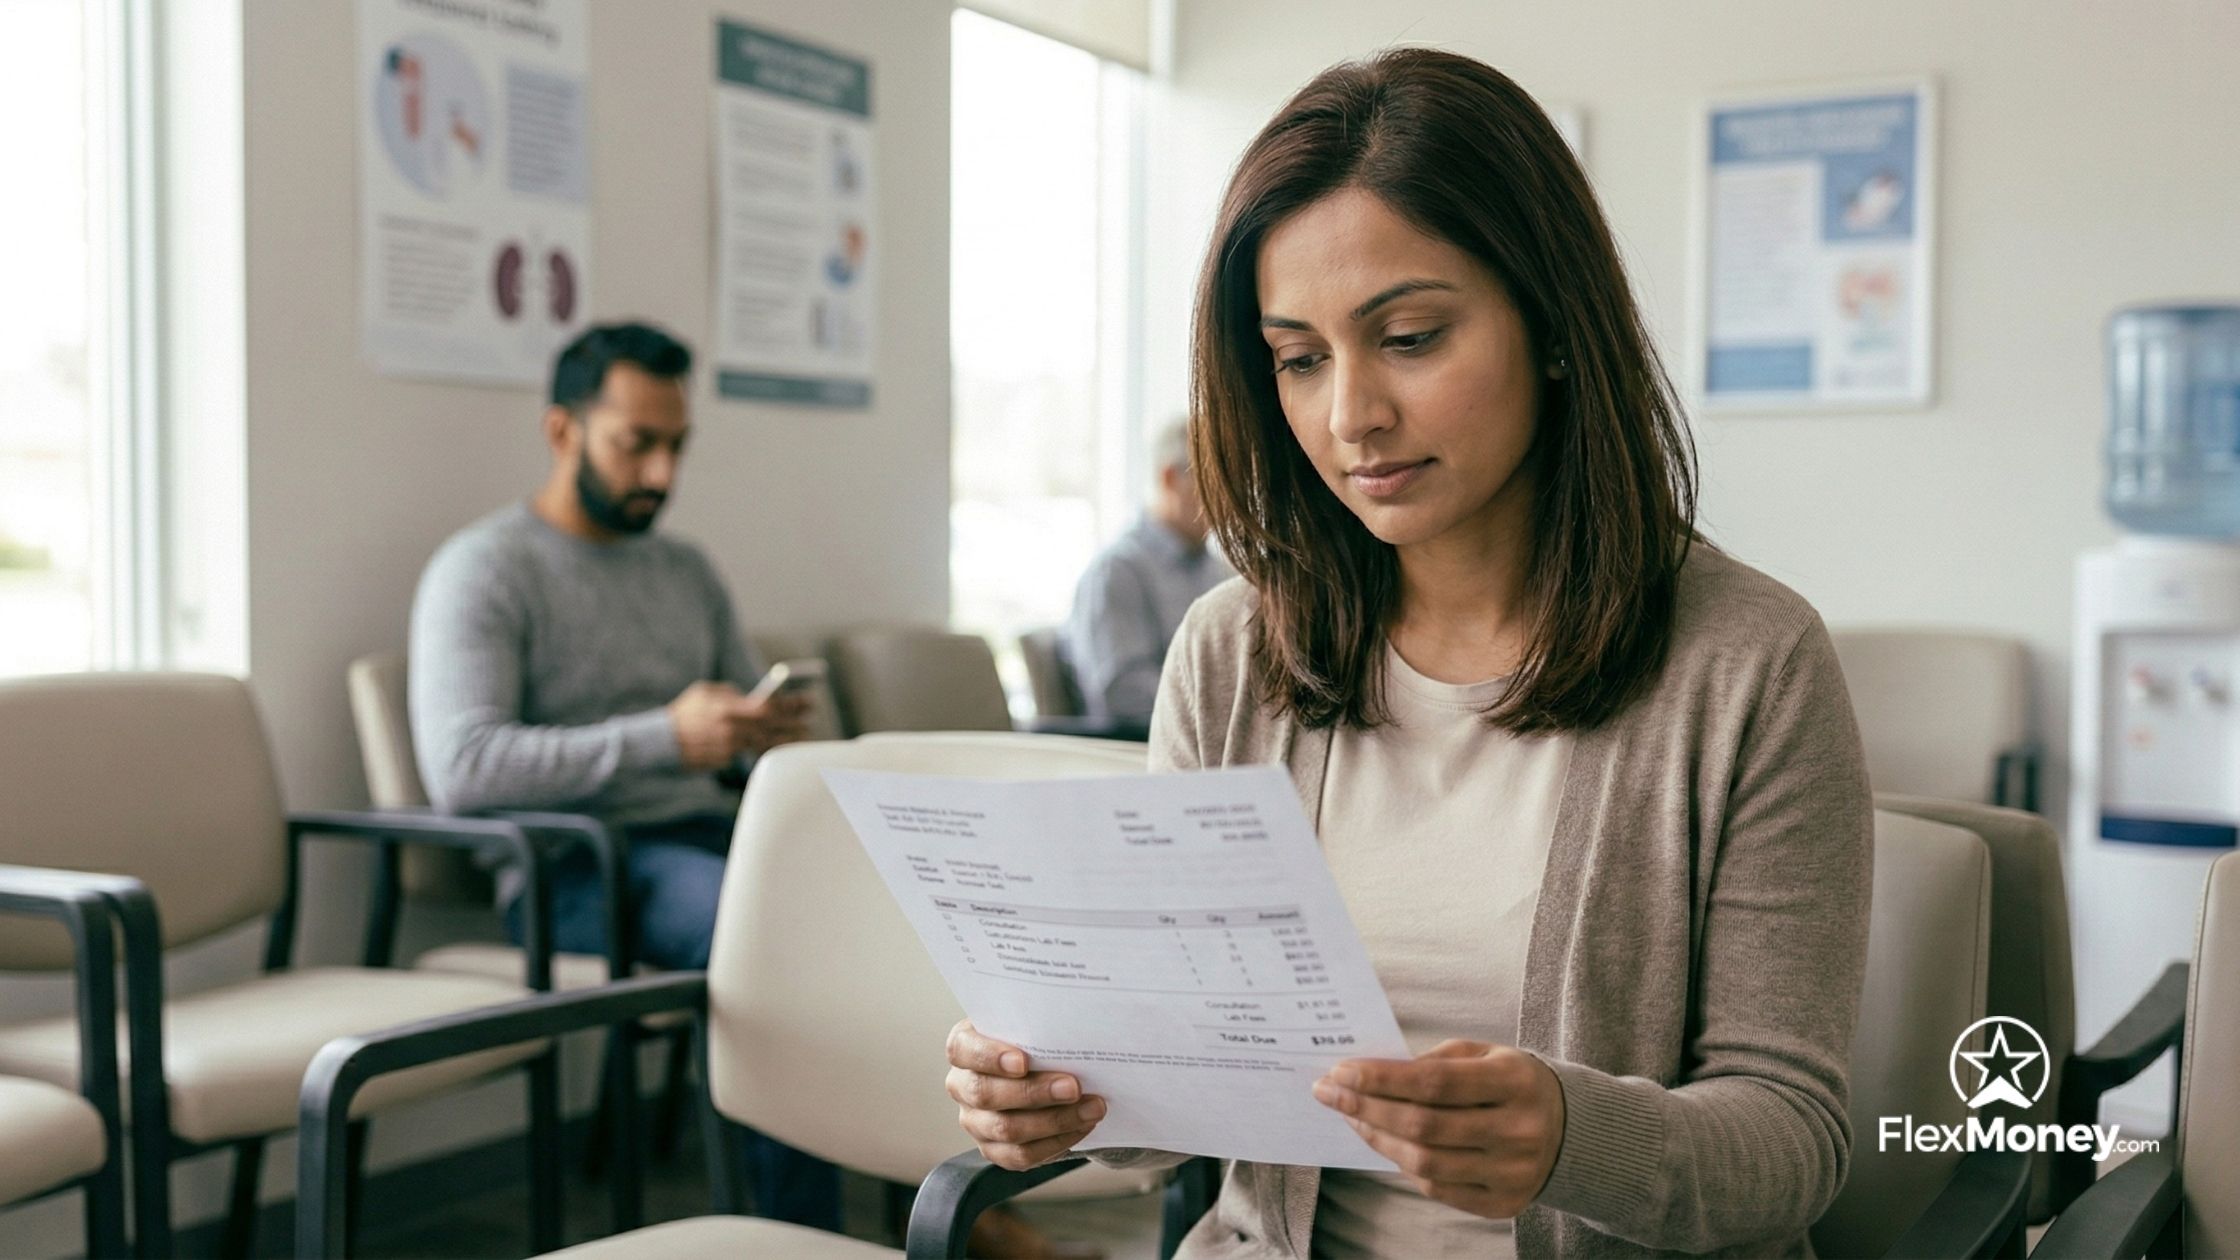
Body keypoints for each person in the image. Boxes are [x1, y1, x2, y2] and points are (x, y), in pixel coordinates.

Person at [943, 49, 1873, 1259]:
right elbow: (1160, 1117)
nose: (1350, 417)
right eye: (1298, 357)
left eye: (1411, 337)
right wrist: (1061, 1092)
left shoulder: (1747, 663)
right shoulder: (1228, 652)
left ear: (1551, 324)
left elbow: (1790, 1143)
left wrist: (1568, 1139)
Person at [407, 320, 839, 1228]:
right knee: (765, 934)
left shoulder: (684, 569)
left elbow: (724, 714)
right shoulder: (484, 570)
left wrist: (757, 731)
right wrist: (665, 738)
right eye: (635, 444)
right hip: (577, 865)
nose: (660, 475)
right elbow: (464, 767)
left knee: (887, 907)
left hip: (703, 834)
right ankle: (804, 1236)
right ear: (561, 431)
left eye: (675, 445)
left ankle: (959, 1205)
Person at [1060, 420, 1234, 725]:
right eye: (1217, 479)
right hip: (1144, 753)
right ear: (1169, 479)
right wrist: (1225, 704)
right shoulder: (1116, 572)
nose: (1230, 498)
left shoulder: (1220, 573)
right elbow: (1122, 695)